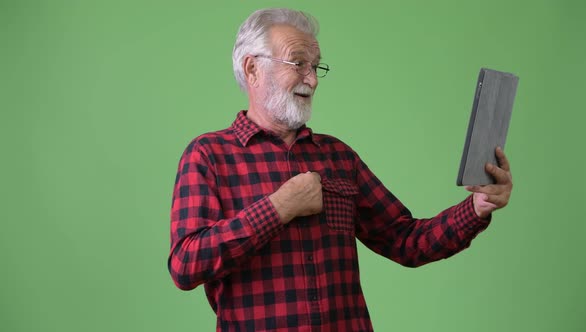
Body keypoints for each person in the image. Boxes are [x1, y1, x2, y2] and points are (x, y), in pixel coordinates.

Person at [168, 8, 513, 332]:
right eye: (298, 63)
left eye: (316, 66)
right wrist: (277, 209)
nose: (313, 80)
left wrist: (475, 208)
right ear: (252, 69)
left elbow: (407, 241)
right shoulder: (208, 156)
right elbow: (185, 265)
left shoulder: (338, 157)